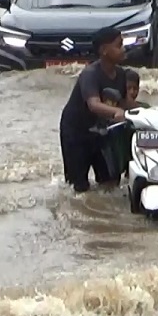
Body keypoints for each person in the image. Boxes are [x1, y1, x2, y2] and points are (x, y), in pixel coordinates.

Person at [58, 27, 128, 193]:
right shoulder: (90, 74)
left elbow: (125, 102)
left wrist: (150, 112)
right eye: (119, 45)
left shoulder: (121, 74)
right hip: (76, 133)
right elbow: (93, 104)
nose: (124, 49)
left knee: (110, 181)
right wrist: (115, 112)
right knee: (79, 186)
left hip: (102, 132)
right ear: (104, 51)